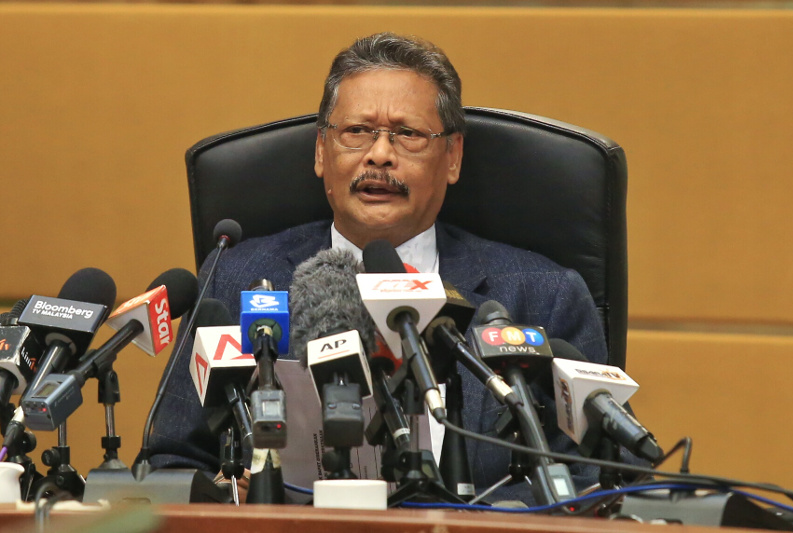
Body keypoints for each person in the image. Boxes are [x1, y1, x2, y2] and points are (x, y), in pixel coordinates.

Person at [149, 32, 611, 504]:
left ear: (452, 157)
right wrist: (237, 496)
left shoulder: (546, 296)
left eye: (407, 134)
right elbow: (169, 465)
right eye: (357, 132)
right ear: (321, 151)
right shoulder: (234, 278)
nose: (380, 154)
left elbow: (599, 480)